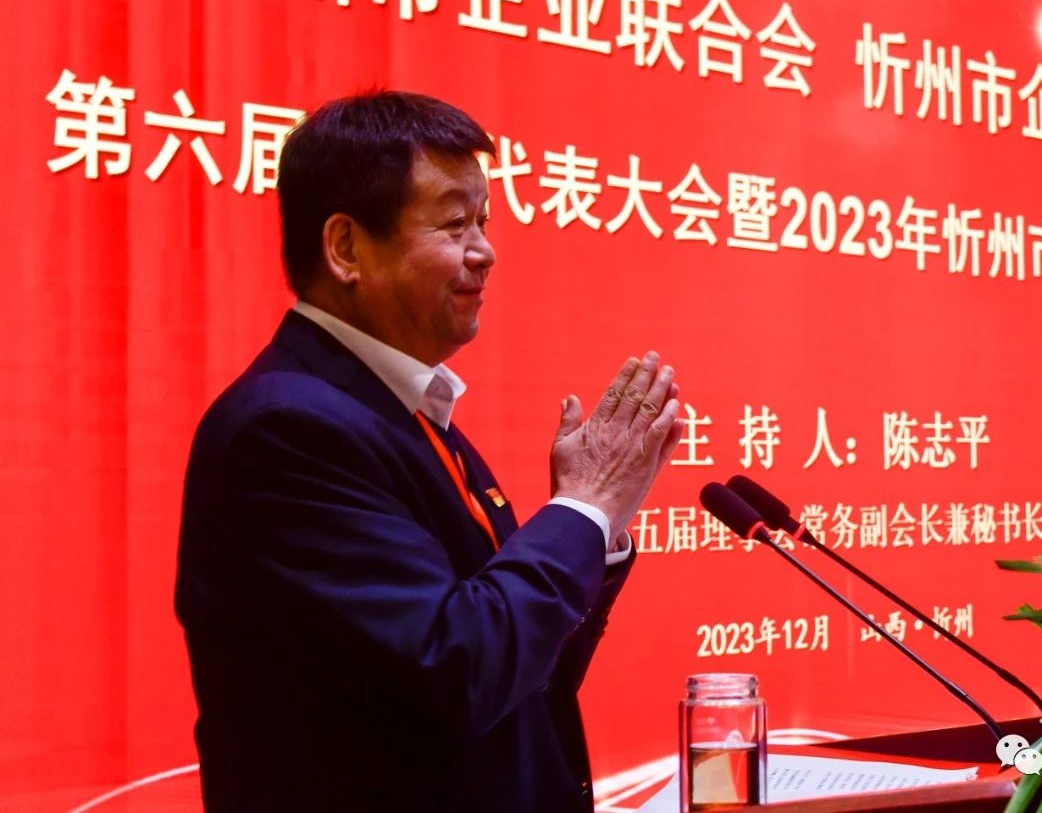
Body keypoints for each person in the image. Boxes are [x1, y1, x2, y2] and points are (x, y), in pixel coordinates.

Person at [175, 91, 683, 812]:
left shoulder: (402, 410)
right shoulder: (286, 430)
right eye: (454, 223)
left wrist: (600, 525)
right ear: (346, 248)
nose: (486, 251)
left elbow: (521, 675)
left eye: (484, 221)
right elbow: (459, 666)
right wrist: (583, 506)